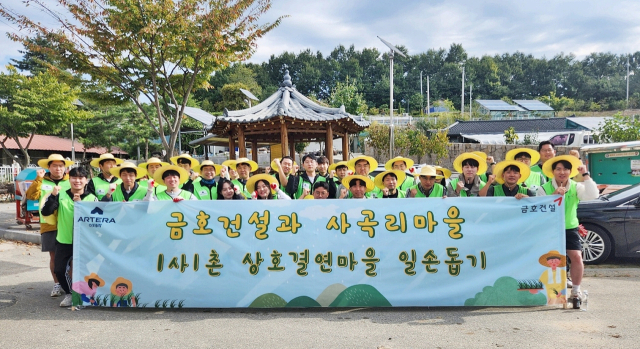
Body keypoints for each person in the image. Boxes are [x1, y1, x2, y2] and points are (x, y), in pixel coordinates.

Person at [536, 155, 599, 304]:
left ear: (570, 172)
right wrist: (553, 195)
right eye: (558, 169)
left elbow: (593, 195)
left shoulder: (576, 186)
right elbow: (539, 208)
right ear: (552, 172)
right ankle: (549, 291)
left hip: (570, 228)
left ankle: (576, 291)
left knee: (576, 257)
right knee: (551, 261)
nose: (562, 172)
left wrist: (585, 175)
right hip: (550, 229)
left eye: (565, 169)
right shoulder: (543, 188)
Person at [41, 167, 98, 307]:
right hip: (64, 239)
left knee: (88, 270)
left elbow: (98, 219)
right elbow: (46, 211)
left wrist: (81, 205)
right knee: (59, 269)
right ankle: (70, 293)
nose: (77, 181)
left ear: (86, 181)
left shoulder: (92, 198)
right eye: (74, 177)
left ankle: (89, 295)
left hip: (85, 242)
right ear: (69, 179)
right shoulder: (61, 195)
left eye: (80, 178)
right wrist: (53, 196)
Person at [26, 154, 73, 298]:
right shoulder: (42, 181)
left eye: (61, 165)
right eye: (55, 166)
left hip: (68, 223)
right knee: (53, 256)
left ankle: (70, 285)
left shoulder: (70, 181)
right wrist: (38, 179)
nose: (58, 168)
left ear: (65, 167)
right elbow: (31, 196)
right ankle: (57, 284)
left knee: (71, 257)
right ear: (49, 167)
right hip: (48, 224)